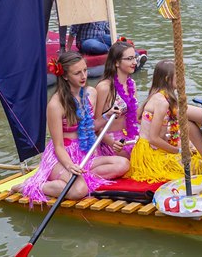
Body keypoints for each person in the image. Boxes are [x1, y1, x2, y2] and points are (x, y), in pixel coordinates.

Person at [15, 52, 129, 202]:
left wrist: (107, 116)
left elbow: (89, 127)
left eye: (85, 70)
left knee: (123, 164)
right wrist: (70, 166)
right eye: (77, 73)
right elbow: (58, 146)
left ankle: (80, 178)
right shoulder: (56, 105)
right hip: (62, 157)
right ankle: (29, 186)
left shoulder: (91, 93)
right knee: (78, 190)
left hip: (85, 153)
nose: (83, 76)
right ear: (65, 76)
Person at [128, 60, 202, 183]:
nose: (183, 78)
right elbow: (153, 139)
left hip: (153, 147)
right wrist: (179, 151)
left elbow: (153, 128)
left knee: (194, 155)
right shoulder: (162, 102)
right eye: (179, 75)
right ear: (167, 78)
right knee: (195, 166)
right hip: (149, 154)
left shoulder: (161, 97)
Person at [95, 42, 139, 158]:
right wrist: (112, 143)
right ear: (116, 62)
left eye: (135, 58)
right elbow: (95, 126)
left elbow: (136, 116)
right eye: (129, 59)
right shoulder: (104, 87)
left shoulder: (132, 84)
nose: (134, 62)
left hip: (130, 135)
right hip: (111, 141)